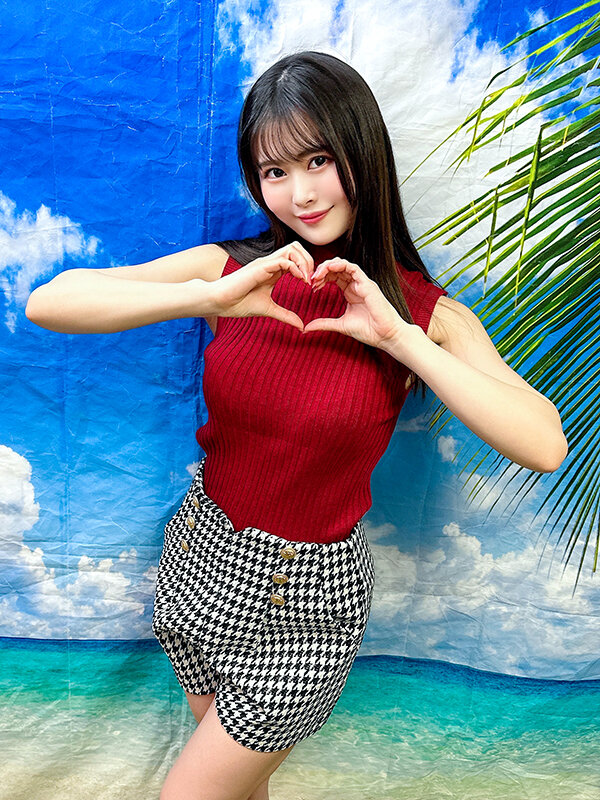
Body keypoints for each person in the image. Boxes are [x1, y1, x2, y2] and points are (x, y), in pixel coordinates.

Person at [25, 50, 568, 800]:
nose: (301, 194)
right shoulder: (233, 270)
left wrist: (401, 339)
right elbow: (50, 302)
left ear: (361, 154)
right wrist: (206, 298)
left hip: (305, 604)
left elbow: (544, 443)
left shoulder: (428, 313)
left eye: (318, 160)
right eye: (274, 171)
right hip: (199, 563)